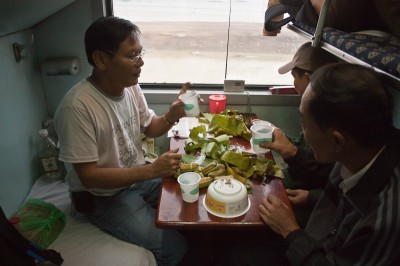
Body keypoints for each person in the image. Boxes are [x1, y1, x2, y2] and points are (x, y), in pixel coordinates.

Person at [213, 62, 400, 265]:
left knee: (236, 257)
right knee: (231, 241)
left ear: (337, 140)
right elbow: (340, 192)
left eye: (304, 123)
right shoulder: (359, 147)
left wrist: (290, 232)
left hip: (317, 253)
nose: (302, 132)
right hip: (319, 237)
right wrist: (311, 197)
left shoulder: (384, 218)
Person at [54, 16, 190, 266]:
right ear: (101, 59)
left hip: (137, 180)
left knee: (190, 197)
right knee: (174, 248)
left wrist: (171, 115)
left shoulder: (129, 87)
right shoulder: (77, 107)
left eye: (140, 54)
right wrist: (151, 170)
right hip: (102, 198)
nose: (141, 63)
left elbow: (149, 128)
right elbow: (89, 177)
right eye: (131, 56)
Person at [260, 42, 336, 227]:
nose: (294, 84)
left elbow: (328, 176)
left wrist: (312, 197)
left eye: (295, 77)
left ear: (309, 79)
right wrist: (280, 135)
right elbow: (306, 150)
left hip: (316, 196)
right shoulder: (318, 108)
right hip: (310, 186)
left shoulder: (330, 121)